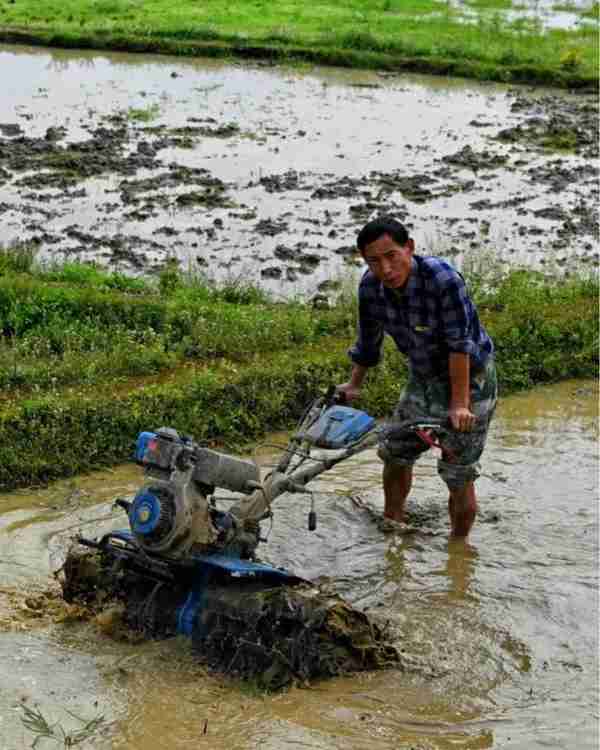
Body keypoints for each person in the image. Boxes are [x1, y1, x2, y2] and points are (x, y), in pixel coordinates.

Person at [337, 216, 497, 538]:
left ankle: (458, 551)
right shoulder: (370, 287)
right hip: (422, 377)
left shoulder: (442, 280)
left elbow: (459, 343)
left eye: (391, 256)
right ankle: (393, 524)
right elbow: (369, 341)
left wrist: (459, 404)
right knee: (395, 449)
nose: (385, 269)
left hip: (470, 380)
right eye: (374, 261)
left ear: (409, 248)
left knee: (457, 472)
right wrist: (354, 384)